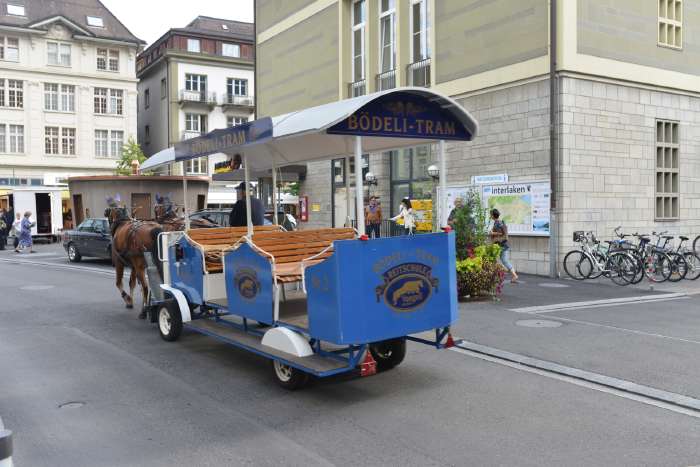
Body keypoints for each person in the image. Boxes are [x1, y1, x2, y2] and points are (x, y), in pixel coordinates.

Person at [489, 208, 518, 283]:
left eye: (491, 214)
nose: (490, 216)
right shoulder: (498, 222)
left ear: (493, 215)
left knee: (492, 259)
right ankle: (514, 275)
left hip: (500, 245)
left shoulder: (498, 223)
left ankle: (496, 275)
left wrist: (493, 233)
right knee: (504, 260)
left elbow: (501, 233)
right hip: (502, 245)